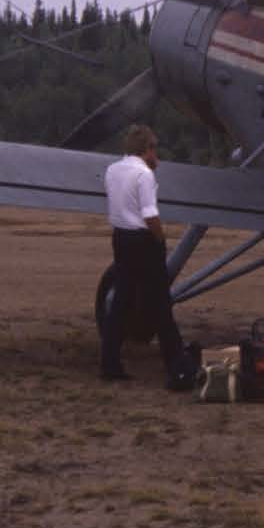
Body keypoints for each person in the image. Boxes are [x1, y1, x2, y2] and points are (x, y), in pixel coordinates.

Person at [100, 123, 191, 388]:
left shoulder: (112, 170)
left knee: (120, 303)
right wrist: (160, 238)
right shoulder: (144, 175)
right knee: (161, 305)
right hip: (144, 241)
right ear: (147, 149)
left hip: (120, 238)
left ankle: (110, 364)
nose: (157, 156)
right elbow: (150, 214)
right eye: (155, 149)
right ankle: (176, 366)